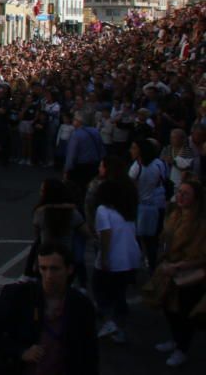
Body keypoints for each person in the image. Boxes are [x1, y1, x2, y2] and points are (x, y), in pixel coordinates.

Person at [0, 241, 98, 375]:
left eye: (55, 268)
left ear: (69, 269)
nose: (48, 276)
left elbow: (90, 355)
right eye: (43, 268)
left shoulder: (82, 306)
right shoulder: (17, 296)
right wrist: (20, 352)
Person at [143, 179, 206, 368]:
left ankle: (182, 348)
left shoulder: (201, 223)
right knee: (168, 308)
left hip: (188, 274)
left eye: (186, 194)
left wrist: (178, 266)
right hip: (168, 268)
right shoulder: (174, 215)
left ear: (196, 199)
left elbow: (201, 255)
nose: (180, 196)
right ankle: (175, 340)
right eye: (179, 192)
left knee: (184, 312)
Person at [91, 177, 141, 343]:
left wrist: (104, 258)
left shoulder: (102, 210)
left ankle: (109, 322)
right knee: (119, 294)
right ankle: (119, 328)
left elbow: (106, 234)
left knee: (100, 290)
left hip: (113, 259)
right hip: (128, 258)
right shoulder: (125, 210)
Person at [129, 138, 168, 270]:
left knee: (139, 239)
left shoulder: (136, 167)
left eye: (133, 148)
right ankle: (152, 266)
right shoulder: (159, 164)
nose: (131, 151)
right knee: (152, 240)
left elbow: (131, 189)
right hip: (157, 205)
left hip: (141, 207)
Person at [64, 114, 105, 191]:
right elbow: (101, 149)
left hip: (81, 166)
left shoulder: (76, 135)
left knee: (79, 188)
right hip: (94, 164)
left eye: (75, 120)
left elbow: (71, 154)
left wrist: (67, 169)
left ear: (79, 122)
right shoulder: (95, 131)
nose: (73, 121)